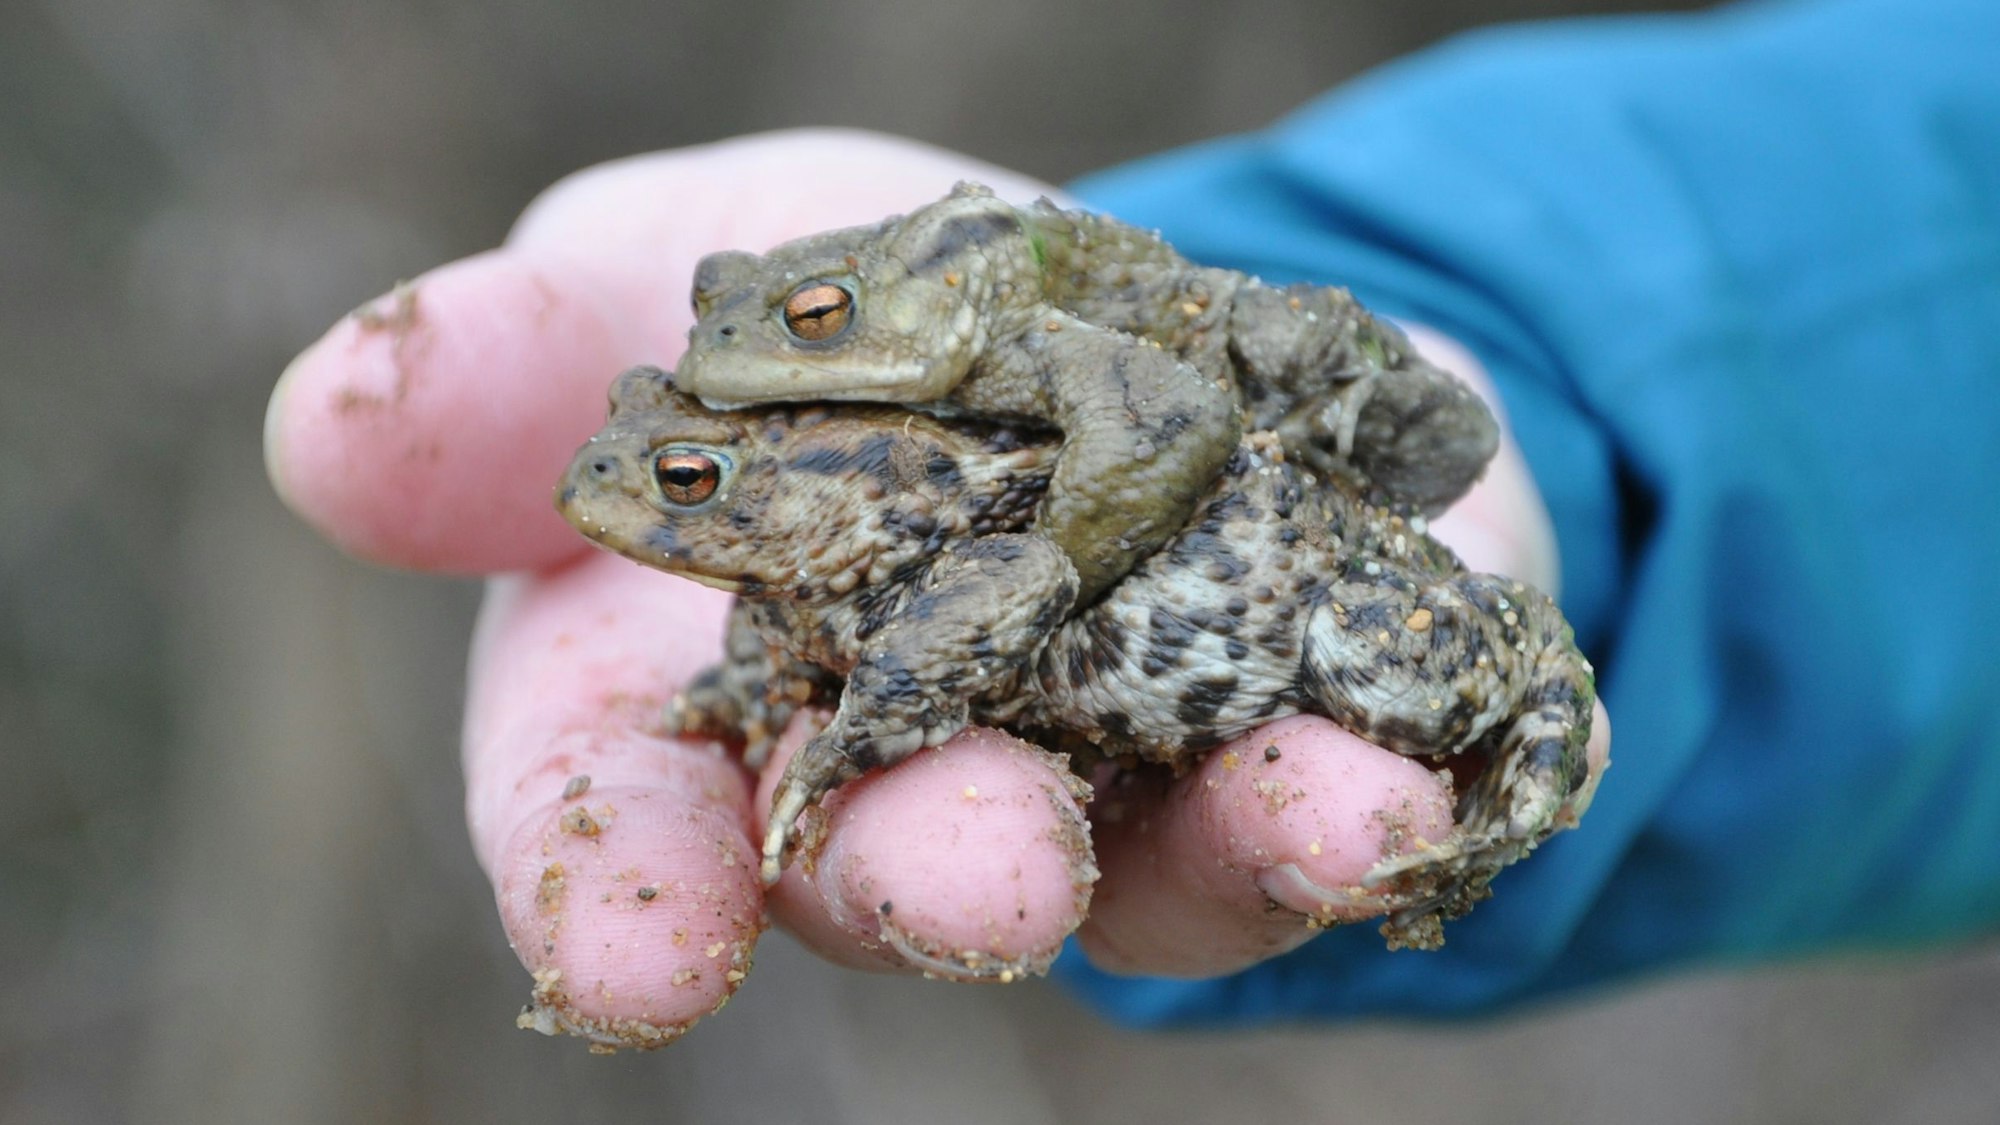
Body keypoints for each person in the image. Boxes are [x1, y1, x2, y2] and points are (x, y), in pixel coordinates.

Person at [264, 0, 1999, 1041]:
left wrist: (867, 725)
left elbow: (1006, 558)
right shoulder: (849, 522)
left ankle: (1529, 713)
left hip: (1267, 570)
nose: (648, 500)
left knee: (1404, 703)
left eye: (696, 481)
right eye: (677, 461)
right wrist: (757, 673)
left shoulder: (947, 504)